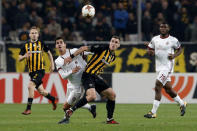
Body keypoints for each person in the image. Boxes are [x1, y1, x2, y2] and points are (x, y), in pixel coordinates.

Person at [65, 36, 120, 124]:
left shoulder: (113, 57)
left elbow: (100, 65)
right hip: (88, 75)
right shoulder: (102, 48)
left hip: (96, 77)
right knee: (92, 96)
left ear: (118, 45)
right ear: (110, 42)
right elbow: (84, 48)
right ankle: (71, 110)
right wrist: (71, 57)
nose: (113, 43)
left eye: (116, 42)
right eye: (112, 41)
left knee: (112, 95)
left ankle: (110, 119)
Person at [144, 22, 187, 118]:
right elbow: (150, 52)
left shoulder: (173, 40)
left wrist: (174, 55)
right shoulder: (155, 39)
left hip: (167, 67)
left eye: (165, 27)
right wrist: (149, 52)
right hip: (159, 67)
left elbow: (180, 50)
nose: (163, 28)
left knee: (158, 85)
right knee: (168, 89)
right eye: (161, 27)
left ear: (168, 28)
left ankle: (153, 112)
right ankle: (182, 103)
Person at [54, 37, 96, 124]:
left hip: (79, 85)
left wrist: (97, 51)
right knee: (72, 103)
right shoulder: (58, 61)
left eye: (61, 42)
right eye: (57, 43)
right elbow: (63, 76)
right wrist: (71, 71)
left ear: (65, 44)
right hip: (70, 83)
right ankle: (91, 108)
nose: (59, 44)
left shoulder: (74, 51)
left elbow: (88, 52)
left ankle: (66, 120)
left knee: (65, 106)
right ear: (56, 46)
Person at [19, 26, 57, 115]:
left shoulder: (41, 43)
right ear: (29, 35)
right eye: (32, 33)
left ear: (38, 35)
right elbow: (19, 58)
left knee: (30, 86)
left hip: (40, 70)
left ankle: (28, 109)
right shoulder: (25, 45)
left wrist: (52, 64)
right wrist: (25, 56)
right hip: (32, 72)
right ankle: (53, 99)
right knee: (41, 91)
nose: (34, 35)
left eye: (35, 33)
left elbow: (49, 53)